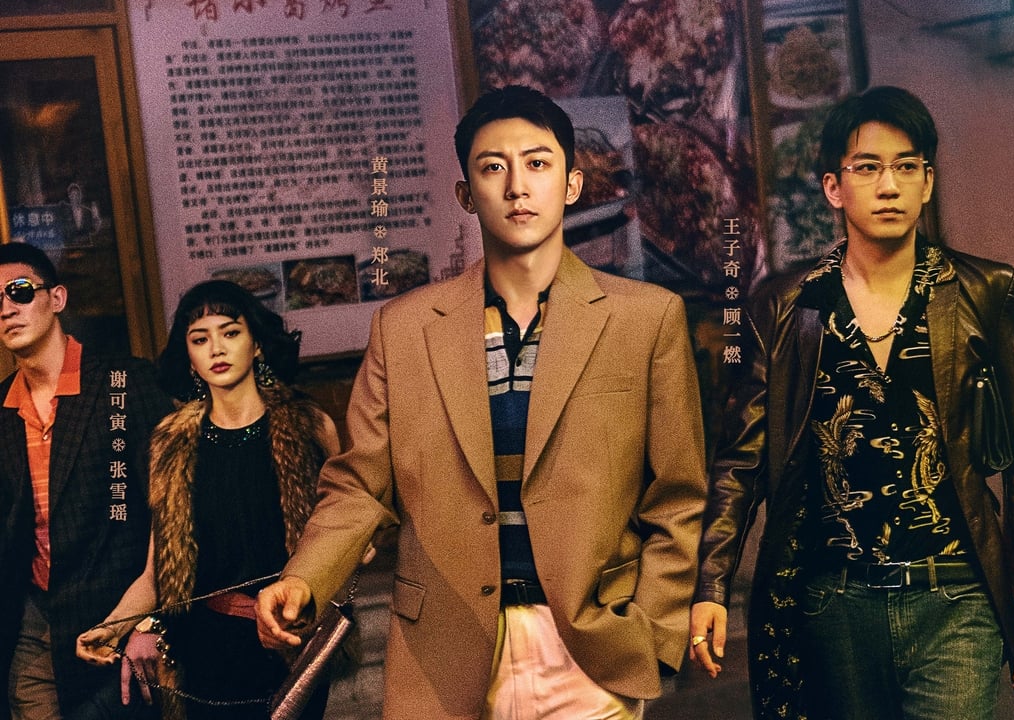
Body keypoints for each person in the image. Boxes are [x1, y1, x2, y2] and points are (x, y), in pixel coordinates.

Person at [256, 85, 707, 719]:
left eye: (538, 163)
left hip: (590, 648)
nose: (518, 187)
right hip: (444, 654)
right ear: (466, 194)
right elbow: (359, 484)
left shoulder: (647, 319)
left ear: (573, 185)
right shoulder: (405, 329)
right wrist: (305, 577)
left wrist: (653, 630)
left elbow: (678, 493)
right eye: (494, 167)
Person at [689, 86, 1014, 719]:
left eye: (906, 167)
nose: (889, 186)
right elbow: (740, 462)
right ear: (834, 188)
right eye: (867, 168)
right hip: (833, 601)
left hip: (956, 594)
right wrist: (712, 583)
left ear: (927, 182)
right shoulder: (786, 305)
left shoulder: (985, 291)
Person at [74, 280, 340, 719]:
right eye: (200, 339)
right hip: (205, 653)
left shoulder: (309, 426)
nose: (216, 348)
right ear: (190, 358)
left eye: (230, 332)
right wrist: (112, 626)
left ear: (256, 344)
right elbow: (155, 574)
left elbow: (344, 531)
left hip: (291, 641)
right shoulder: (171, 444)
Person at [0, 241, 171, 719]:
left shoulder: (123, 383)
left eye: (19, 291)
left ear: (57, 298)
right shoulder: (3, 407)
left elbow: (174, 510)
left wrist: (150, 621)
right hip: (35, 627)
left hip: (118, 619)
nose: (7, 308)